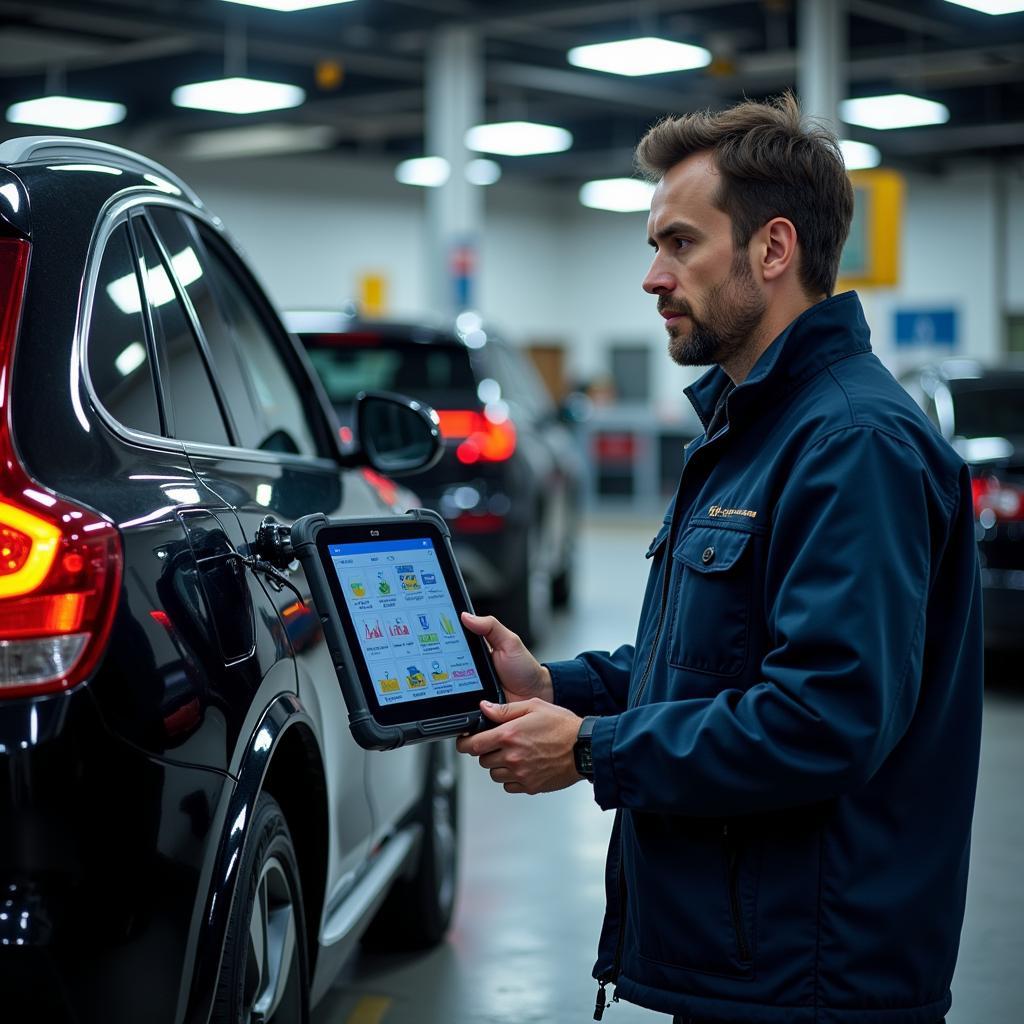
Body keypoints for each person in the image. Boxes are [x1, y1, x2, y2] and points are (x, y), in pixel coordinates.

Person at [456, 93, 982, 1024]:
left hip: (815, 982)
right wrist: (559, 686)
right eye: (654, 246)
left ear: (773, 250)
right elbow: (720, 665)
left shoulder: (853, 444)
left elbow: (824, 718)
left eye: (681, 243)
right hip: (756, 968)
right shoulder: (756, 429)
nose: (654, 277)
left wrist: (587, 750)